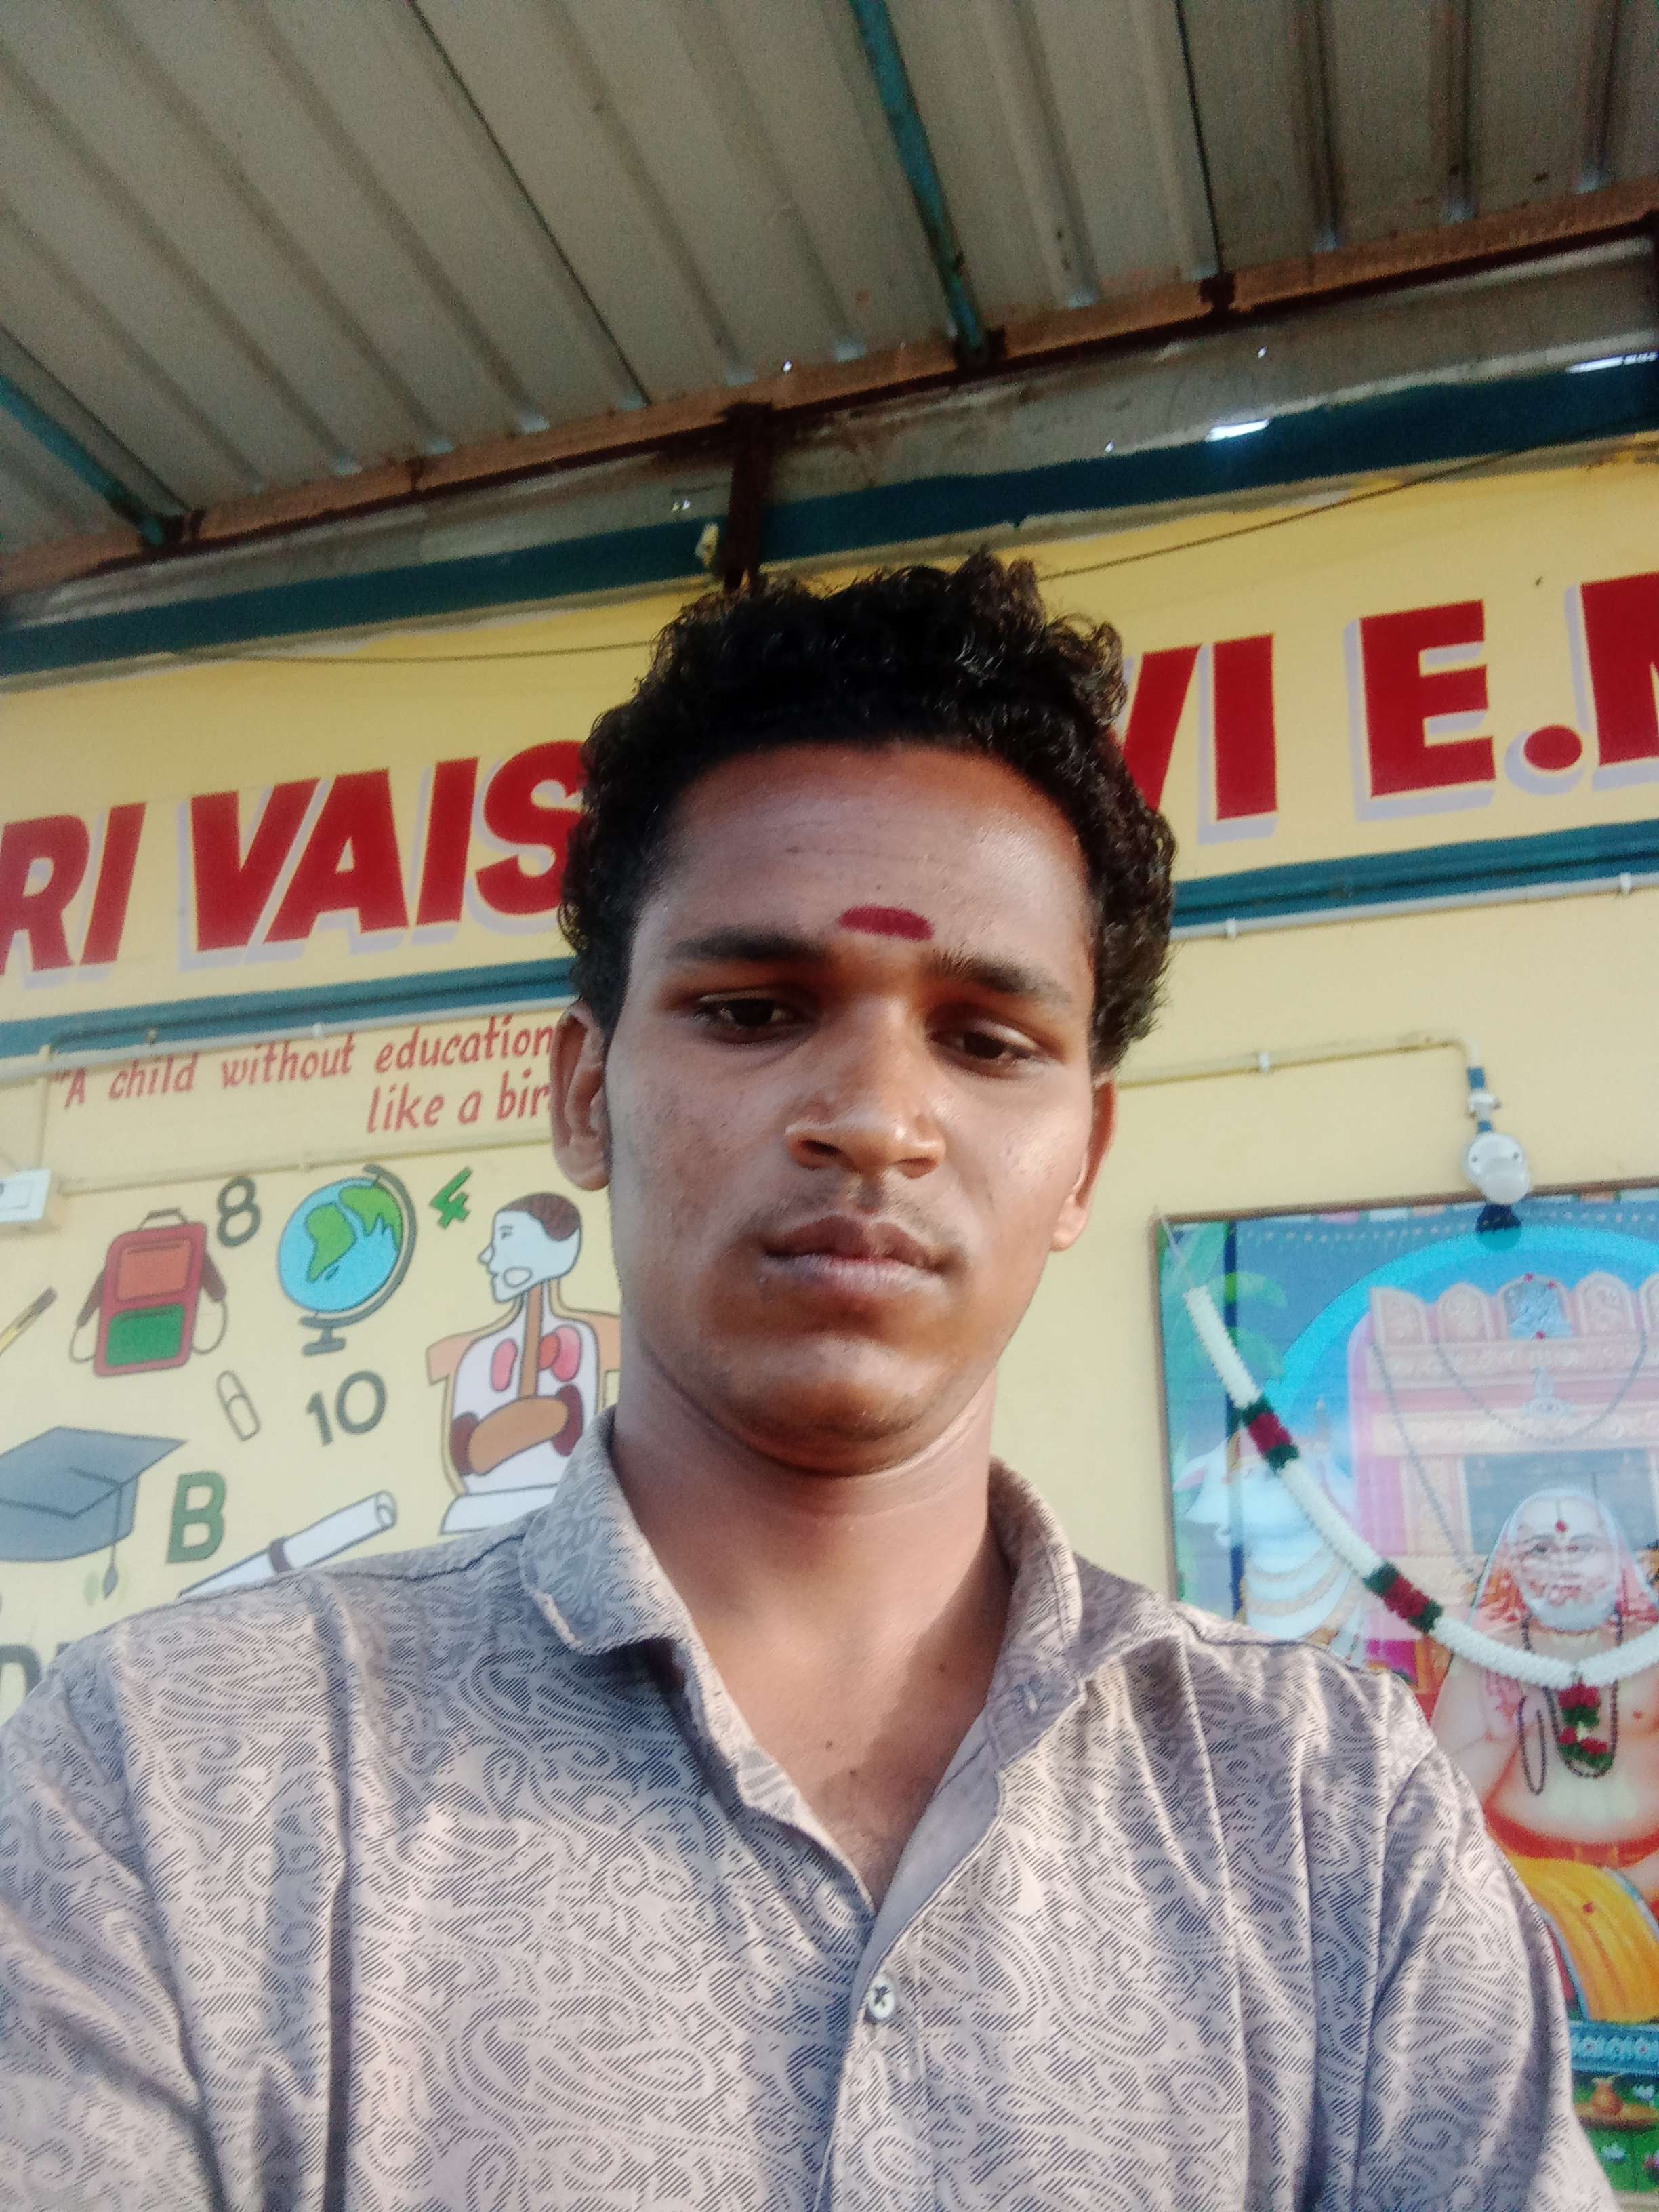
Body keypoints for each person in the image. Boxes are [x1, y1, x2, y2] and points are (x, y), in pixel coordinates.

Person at [0, 556, 1610, 2209]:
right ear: (583, 1094)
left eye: (984, 1039)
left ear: (1082, 1158)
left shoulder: (1332, 1811)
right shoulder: (178, 1774)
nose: (874, 1118)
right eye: (755, 1009)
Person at [1432, 1485, 1659, 2020]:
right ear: (1514, 1565)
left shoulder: (1651, 1652)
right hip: (1524, 1893)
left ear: (1616, 1557)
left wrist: (1639, 1882)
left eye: (1581, 1547)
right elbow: (1436, 1808)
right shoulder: (1487, 1656)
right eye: (1540, 1549)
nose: (1563, 1564)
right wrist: (1504, 1736)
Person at [426, 1192, 621, 1533]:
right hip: (478, 1521)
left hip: (564, 1519)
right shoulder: (478, 1356)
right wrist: (538, 1420)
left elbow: (569, 1437)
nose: (487, 1256)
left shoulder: (577, 1342)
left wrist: (518, 1428)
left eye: (506, 1237)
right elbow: (468, 1459)